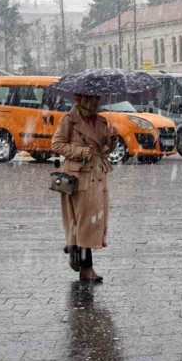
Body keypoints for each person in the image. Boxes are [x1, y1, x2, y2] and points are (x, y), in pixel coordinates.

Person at [51, 94, 118, 283]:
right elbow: (56, 144)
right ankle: (86, 267)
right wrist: (80, 151)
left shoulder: (101, 121)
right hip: (78, 178)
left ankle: (74, 250)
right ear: (80, 100)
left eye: (97, 100)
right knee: (84, 223)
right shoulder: (69, 120)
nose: (95, 104)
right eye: (90, 100)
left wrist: (112, 140)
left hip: (97, 176)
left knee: (93, 223)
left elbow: (105, 150)